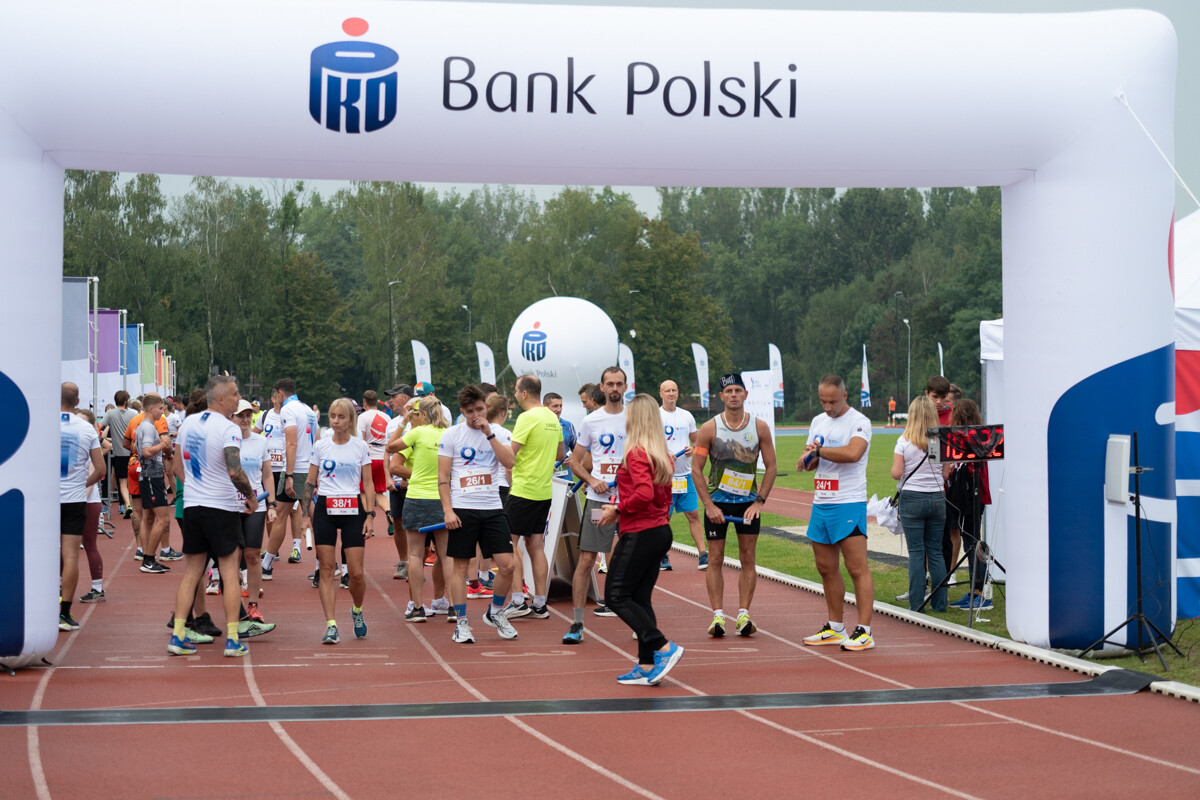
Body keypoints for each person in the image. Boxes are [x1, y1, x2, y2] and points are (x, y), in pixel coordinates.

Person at [598, 394, 685, 686]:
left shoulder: (636, 452)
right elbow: (660, 496)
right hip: (659, 530)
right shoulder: (660, 453)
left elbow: (644, 494)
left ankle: (662, 646)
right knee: (639, 598)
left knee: (615, 596)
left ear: (635, 419)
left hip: (641, 531)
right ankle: (647, 665)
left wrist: (618, 508)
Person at [169, 376, 257, 657]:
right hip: (221, 507)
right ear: (220, 399)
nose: (238, 398)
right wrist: (251, 496)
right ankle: (233, 639)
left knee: (192, 572)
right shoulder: (228, 428)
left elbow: (176, 467)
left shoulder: (187, 425)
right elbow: (234, 470)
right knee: (230, 572)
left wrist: (194, 488)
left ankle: (178, 634)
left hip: (194, 506)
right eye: (234, 395)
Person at [691, 372, 777, 638]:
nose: (734, 395)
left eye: (738, 391)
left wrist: (759, 503)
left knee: (747, 558)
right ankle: (717, 616)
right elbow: (696, 468)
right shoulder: (710, 428)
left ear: (745, 395)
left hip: (747, 504)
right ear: (721, 397)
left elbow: (772, 466)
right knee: (715, 558)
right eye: (729, 392)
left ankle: (743, 615)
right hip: (717, 504)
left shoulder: (759, 427)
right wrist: (708, 505)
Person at [438, 384, 520, 643]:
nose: (476, 415)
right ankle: (461, 622)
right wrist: (448, 510)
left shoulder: (498, 433)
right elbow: (442, 477)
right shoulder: (452, 435)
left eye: (480, 409)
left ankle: (495, 612)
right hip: (463, 508)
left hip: (493, 507)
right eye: (470, 411)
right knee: (460, 569)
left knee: (507, 566)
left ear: (487, 407)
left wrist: (489, 434)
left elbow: (509, 463)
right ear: (462, 412)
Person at [800, 375, 876, 652]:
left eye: (832, 401)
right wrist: (807, 459)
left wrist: (819, 451)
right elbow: (814, 457)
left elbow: (853, 453)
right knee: (825, 568)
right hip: (822, 502)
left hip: (849, 501)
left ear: (845, 396)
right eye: (823, 401)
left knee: (856, 567)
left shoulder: (859, 422)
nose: (827, 406)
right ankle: (835, 627)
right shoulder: (818, 421)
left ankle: (865, 631)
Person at [564, 367, 628, 644]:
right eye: (609, 384)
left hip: (631, 503)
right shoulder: (591, 421)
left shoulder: (635, 418)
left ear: (625, 387)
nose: (614, 388)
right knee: (587, 560)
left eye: (619, 383)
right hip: (599, 501)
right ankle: (577, 623)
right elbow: (575, 462)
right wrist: (592, 479)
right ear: (601, 388)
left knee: (635, 561)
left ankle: (638, 622)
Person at [304, 398, 376, 644]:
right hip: (325, 508)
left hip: (353, 510)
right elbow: (310, 481)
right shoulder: (321, 446)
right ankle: (331, 625)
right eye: (332, 416)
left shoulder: (360, 446)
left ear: (350, 420)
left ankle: (357, 610)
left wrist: (370, 515)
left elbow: (367, 483)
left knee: (356, 574)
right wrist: (305, 514)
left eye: (340, 417)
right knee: (326, 569)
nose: (335, 421)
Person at [503, 375, 565, 619]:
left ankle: (518, 600)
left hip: (523, 490)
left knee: (511, 544)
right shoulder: (552, 416)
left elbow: (510, 455)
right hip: (543, 491)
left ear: (524, 392)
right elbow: (560, 452)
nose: (516, 395)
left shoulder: (526, 417)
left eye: (517, 391)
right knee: (536, 546)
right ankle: (540, 603)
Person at [891, 396, 947, 612]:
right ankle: (940, 603)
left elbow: (897, 473)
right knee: (935, 551)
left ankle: (917, 603)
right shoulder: (938, 441)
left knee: (916, 552)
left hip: (912, 497)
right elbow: (945, 473)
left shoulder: (904, 441)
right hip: (937, 497)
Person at [59, 382, 106, 631]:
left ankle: (38, 607)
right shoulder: (86, 429)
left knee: (42, 554)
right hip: (74, 499)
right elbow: (101, 470)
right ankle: (64, 613)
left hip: (46, 500)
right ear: (78, 402)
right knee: (70, 556)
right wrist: (80, 481)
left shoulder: (44, 423)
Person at [399, 397, 451, 622]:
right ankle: (455, 607)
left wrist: (404, 422)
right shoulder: (450, 434)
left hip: (417, 497)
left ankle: (418, 607)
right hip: (442, 498)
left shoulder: (417, 433)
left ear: (424, 414)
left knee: (415, 555)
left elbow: (391, 449)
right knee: (446, 555)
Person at [946, 399, 994, 611]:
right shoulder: (974, 438)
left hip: (971, 497)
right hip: (972, 496)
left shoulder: (971, 439)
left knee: (973, 544)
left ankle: (982, 594)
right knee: (970, 542)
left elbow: (972, 471)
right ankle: (975, 590)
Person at [233, 399, 277, 624]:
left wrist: (271, 504)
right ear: (231, 417)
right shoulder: (226, 441)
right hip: (230, 506)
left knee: (252, 555)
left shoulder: (261, 442)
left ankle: (252, 605)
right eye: (240, 415)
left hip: (256, 506)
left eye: (248, 415)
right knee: (231, 558)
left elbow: (267, 475)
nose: (244, 419)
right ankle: (234, 608)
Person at [659, 379, 705, 571]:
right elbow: (647, 443)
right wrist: (664, 452)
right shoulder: (655, 415)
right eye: (667, 390)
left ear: (678, 393)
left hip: (685, 476)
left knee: (693, 514)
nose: (671, 393)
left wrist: (692, 449)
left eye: (674, 390)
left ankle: (703, 554)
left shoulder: (687, 416)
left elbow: (697, 442)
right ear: (661, 394)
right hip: (665, 477)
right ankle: (662, 555)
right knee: (665, 518)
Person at [134, 393, 176, 574]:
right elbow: (145, 451)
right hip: (152, 476)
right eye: (160, 408)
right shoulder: (149, 427)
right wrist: (162, 444)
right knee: (164, 518)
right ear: (151, 409)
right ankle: (149, 559)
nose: (162, 411)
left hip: (149, 476)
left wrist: (163, 450)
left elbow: (137, 448)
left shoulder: (144, 426)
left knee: (149, 518)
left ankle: (148, 558)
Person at [74, 407, 110, 606]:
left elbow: (93, 473)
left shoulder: (89, 447)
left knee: (89, 545)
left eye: (80, 421)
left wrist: (80, 500)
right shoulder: (74, 443)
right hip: (78, 501)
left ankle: (97, 588)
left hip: (86, 502)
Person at [383, 384, 414, 579]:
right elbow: (387, 451)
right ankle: (404, 562)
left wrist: (405, 478)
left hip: (413, 481)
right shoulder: (391, 423)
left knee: (416, 525)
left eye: (393, 397)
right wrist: (387, 477)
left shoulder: (417, 420)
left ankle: (416, 561)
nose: (390, 401)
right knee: (398, 522)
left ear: (404, 398)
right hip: (394, 483)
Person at [357, 389, 392, 530]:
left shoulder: (363, 417)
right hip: (383, 457)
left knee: (364, 490)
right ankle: (389, 512)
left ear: (364, 402)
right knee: (379, 492)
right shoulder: (386, 417)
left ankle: (368, 517)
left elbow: (361, 439)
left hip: (369, 458)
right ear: (376, 401)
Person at [100, 390, 136, 518]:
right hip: (133, 452)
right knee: (134, 481)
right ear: (127, 401)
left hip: (119, 453)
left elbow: (100, 427)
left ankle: (127, 505)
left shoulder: (110, 413)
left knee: (122, 482)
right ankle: (132, 505)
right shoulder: (134, 414)